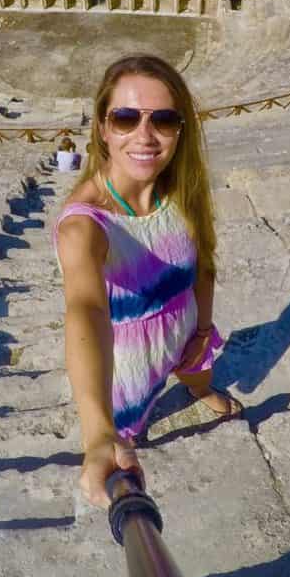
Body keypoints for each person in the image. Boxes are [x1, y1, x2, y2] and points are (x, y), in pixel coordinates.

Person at [55, 55, 242, 508]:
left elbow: (205, 263)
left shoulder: (181, 188)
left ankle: (198, 388)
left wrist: (201, 331)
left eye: (163, 118)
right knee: (129, 436)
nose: (145, 134)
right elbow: (87, 309)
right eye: (125, 118)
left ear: (181, 129)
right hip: (130, 361)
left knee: (200, 371)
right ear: (102, 127)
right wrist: (97, 434)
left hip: (184, 328)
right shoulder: (85, 225)